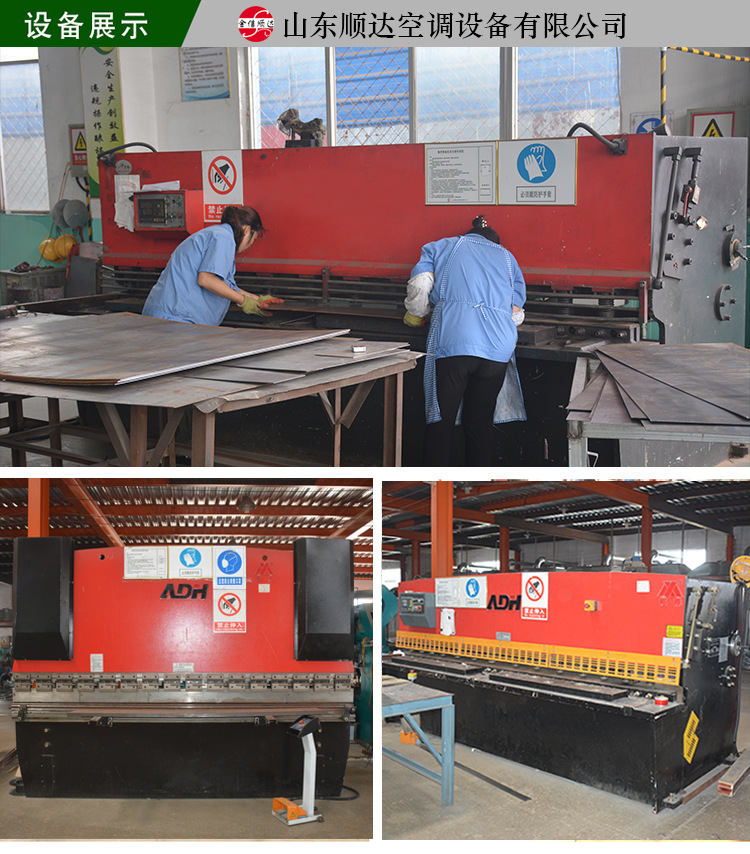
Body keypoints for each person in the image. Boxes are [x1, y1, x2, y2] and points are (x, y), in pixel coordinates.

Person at [404, 215, 526, 466]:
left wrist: (416, 314)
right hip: (498, 350)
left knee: (441, 421)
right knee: (479, 424)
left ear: (469, 236)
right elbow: (516, 312)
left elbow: (421, 284)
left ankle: (434, 481)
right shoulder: (507, 258)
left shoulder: (442, 246)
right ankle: (476, 480)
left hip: (455, 344)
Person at [142, 205, 283, 325]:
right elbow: (206, 280)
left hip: (172, 317)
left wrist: (257, 300)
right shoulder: (224, 237)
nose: (249, 246)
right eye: (254, 239)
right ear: (247, 230)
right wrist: (243, 301)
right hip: (174, 319)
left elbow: (225, 286)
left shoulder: (217, 234)